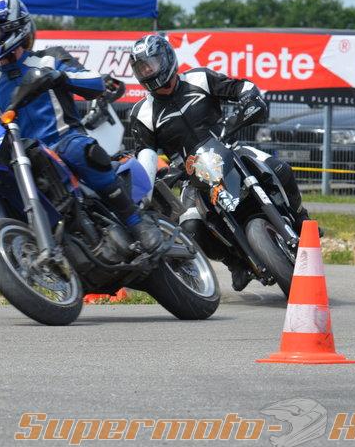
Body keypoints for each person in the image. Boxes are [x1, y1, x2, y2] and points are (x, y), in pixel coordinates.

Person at [0, 0, 162, 252]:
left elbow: (95, 82)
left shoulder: (49, 59)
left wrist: (59, 76)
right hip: (25, 158)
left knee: (79, 150)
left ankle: (136, 221)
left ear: (14, 29)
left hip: (64, 141)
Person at [128, 34, 313, 291]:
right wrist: (156, 177)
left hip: (230, 149)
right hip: (192, 175)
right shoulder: (142, 113)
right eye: (142, 68)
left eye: (151, 64)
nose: (148, 71)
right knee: (190, 226)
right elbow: (145, 155)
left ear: (167, 58)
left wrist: (249, 98)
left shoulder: (199, 78)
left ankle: (300, 218)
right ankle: (235, 263)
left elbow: (239, 87)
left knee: (280, 169)